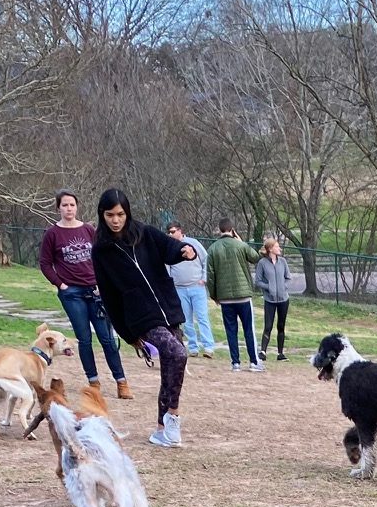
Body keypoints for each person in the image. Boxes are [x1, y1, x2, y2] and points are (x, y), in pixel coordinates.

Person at [91, 188, 198, 447]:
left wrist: (184, 249)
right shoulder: (101, 252)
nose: (115, 220)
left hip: (169, 309)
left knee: (171, 367)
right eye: (110, 215)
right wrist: (128, 336)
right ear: (102, 215)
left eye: (120, 214)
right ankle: (173, 417)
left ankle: (162, 429)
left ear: (127, 213)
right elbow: (110, 298)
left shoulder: (145, 233)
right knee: (178, 353)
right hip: (141, 318)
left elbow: (169, 247)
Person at [39, 191, 132, 401]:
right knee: (85, 339)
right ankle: (93, 381)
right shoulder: (52, 233)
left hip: (95, 291)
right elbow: (45, 263)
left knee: (107, 338)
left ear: (77, 207)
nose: (69, 208)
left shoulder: (88, 229)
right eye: (65, 205)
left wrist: (102, 283)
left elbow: (101, 256)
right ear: (59, 208)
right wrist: (60, 284)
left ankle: (121, 381)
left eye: (72, 205)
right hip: (72, 293)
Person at [206, 216, 261, 371]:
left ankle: (235, 362)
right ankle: (253, 362)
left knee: (231, 331)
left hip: (225, 298)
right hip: (243, 296)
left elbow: (210, 275)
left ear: (220, 229)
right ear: (232, 229)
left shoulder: (213, 249)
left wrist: (214, 295)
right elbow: (255, 257)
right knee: (249, 329)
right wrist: (241, 240)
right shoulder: (240, 245)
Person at [167, 222, 217, 360]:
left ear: (180, 230)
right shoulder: (169, 247)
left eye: (173, 231)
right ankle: (193, 347)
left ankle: (208, 347)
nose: (170, 234)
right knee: (186, 320)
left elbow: (206, 259)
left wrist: (204, 277)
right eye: (169, 232)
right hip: (180, 289)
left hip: (197, 287)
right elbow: (167, 267)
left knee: (202, 317)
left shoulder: (193, 243)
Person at [254, 235, 292, 361]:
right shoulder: (262, 263)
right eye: (276, 246)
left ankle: (280, 353)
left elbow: (288, 278)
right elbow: (258, 281)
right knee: (268, 326)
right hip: (269, 300)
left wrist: (283, 287)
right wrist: (269, 287)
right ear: (270, 249)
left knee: (281, 326)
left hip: (283, 300)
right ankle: (263, 352)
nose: (279, 248)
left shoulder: (283, 262)